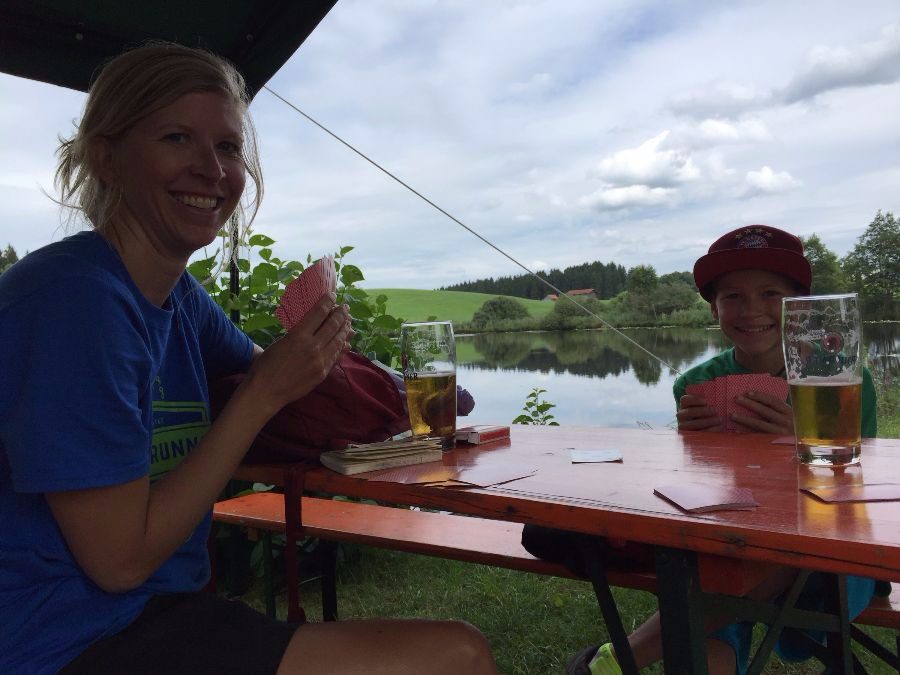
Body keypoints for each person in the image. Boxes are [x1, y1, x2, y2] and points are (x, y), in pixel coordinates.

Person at [0, 42, 498, 675]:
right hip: (62, 641)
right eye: (178, 138)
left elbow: (279, 373)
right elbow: (119, 563)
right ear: (108, 156)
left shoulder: (175, 295)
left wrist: (325, 364)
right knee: (454, 656)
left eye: (229, 148)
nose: (212, 169)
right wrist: (263, 393)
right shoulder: (72, 303)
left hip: (157, 616)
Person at [569, 225, 878, 674]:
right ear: (714, 308)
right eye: (732, 296)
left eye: (770, 292)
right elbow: (702, 491)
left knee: (766, 563)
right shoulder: (694, 385)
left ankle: (619, 657)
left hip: (836, 551)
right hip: (732, 540)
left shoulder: (839, 379)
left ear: (798, 307)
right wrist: (694, 446)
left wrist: (806, 437)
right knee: (711, 605)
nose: (751, 310)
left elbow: (863, 489)